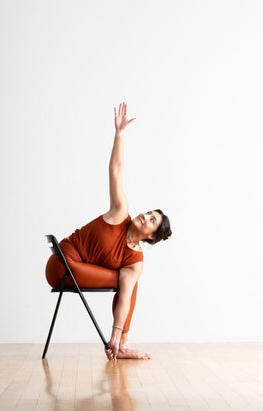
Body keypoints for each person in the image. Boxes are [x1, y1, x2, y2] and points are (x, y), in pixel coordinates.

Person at [45, 102, 172, 360]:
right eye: (149, 212)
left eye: (151, 220)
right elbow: (115, 171)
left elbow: (125, 296)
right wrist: (119, 134)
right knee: (127, 283)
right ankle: (121, 344)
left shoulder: (134, 261)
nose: (144, 215)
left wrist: (113, 334)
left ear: (150, 236)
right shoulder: (119, 213)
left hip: (77, 273)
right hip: (61, 266)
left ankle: (120, 343)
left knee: (129, 282)